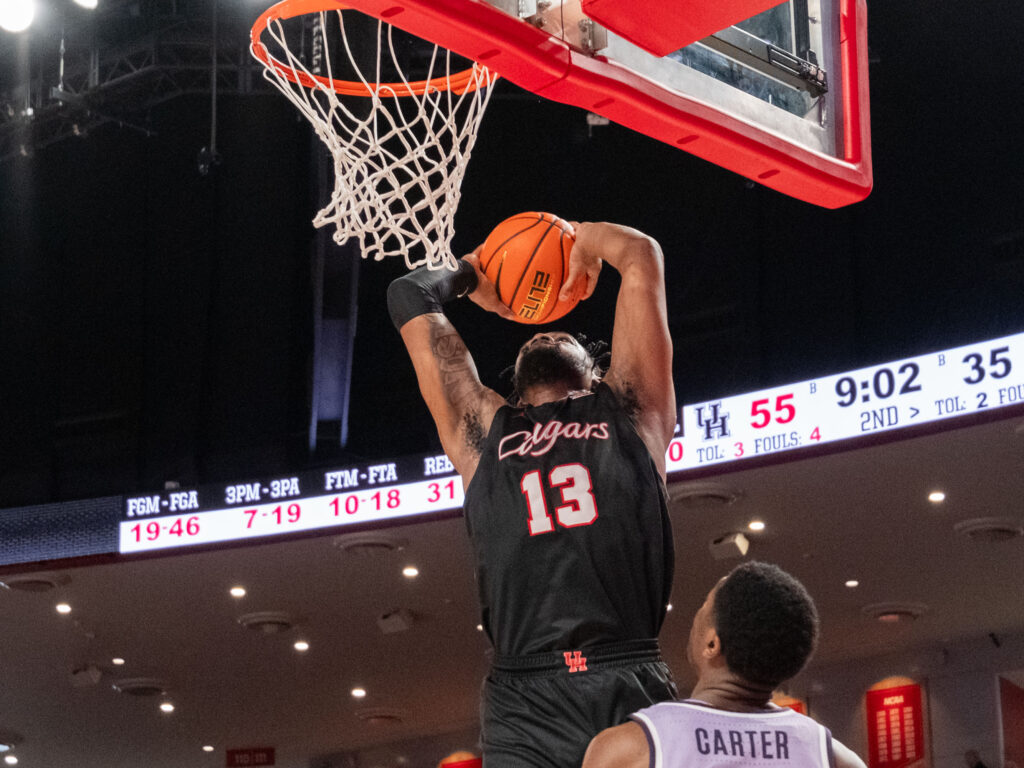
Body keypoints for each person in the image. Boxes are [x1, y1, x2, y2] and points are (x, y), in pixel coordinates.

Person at [387, 221, 677, 767]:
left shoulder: (633, 411)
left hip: (627, 674)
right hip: (525, 695)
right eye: (534, 332)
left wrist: (580, 241)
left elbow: (640, 253)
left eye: (560, 333)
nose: (544, 333)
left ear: (595, 371)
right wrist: (474, 275)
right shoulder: (480, 431)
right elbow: (410, 293)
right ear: (514, 382)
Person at [581, 561, 868, 768]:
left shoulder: (630, 748)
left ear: (712, 645)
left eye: (705, 606)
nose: (696, 616)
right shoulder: (834, 757)